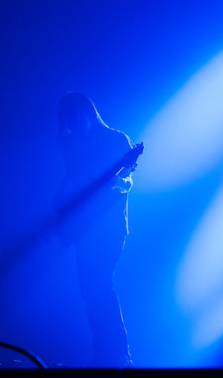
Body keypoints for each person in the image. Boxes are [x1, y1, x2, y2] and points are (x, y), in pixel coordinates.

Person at [52, 92, 138, 368]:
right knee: (89, 291)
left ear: (88, 113)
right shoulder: (72, 145)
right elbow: (71, 181)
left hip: (109, 227)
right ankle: (104, 356)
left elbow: (127, 180)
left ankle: (119, 355)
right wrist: (60, 202)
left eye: (74, 118)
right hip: (83, 228)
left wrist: (116, 185)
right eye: (67, 121)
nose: (72, 125)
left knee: (100, 285)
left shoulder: (116, 140)